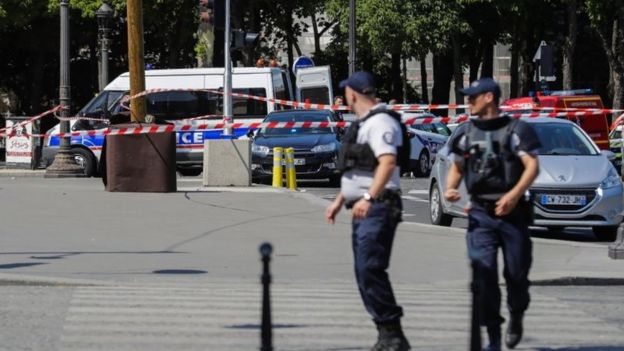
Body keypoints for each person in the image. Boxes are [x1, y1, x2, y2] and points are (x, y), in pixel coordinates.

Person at [444, 78, 540, 351]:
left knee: (516, 275)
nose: (467, 102)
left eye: (472, 97)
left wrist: (513, 196)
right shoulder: (466, 132)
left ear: (488, 97)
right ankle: (494, 335)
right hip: (480, 214)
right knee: (484, 275)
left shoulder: (516, 130)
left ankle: (517, 314)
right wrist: (451, 188)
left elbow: (532, 166)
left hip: (513, 213)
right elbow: (458, 166)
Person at [325, 71, 410, 351]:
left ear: (352, 94)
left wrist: (367, 198)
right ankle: (387, 333)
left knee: (370, 268)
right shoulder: (362, 124)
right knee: (364, 271)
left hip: (379, 206)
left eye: (345, 93)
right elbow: (358, 171)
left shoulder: (381, 122)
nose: (343, 98)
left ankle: (393, 333)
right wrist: (340, 200)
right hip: (366, 207)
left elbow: (387, 163)